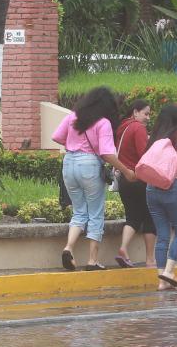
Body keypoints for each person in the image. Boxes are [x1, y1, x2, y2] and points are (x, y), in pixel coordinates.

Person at [53, 86, 133, 271]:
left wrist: (72, 144)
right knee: (95, 213)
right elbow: (106, 153)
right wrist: (126, 171)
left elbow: (56, 136)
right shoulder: (103, 122)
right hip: (89, 164)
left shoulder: (73, 116)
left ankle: (68, 248)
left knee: (79, 211)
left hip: (69, 162)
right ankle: (92, 260)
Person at [144, 102, 177, 292]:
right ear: (176, 117)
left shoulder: (156, 133)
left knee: (163, 234)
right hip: (170, 185)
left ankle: (162, 282)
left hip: (151, 188)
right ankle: (168, 271)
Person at [113, 99, 154, 268]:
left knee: (133, 217)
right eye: (146, 113)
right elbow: (144, 155)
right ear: (135, 112)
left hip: (124, 179)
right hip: (138, 179)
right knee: (150, 218)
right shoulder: (138, 128)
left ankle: (123, 248)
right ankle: (150, 259)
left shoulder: (122, 128)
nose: (148, 117)